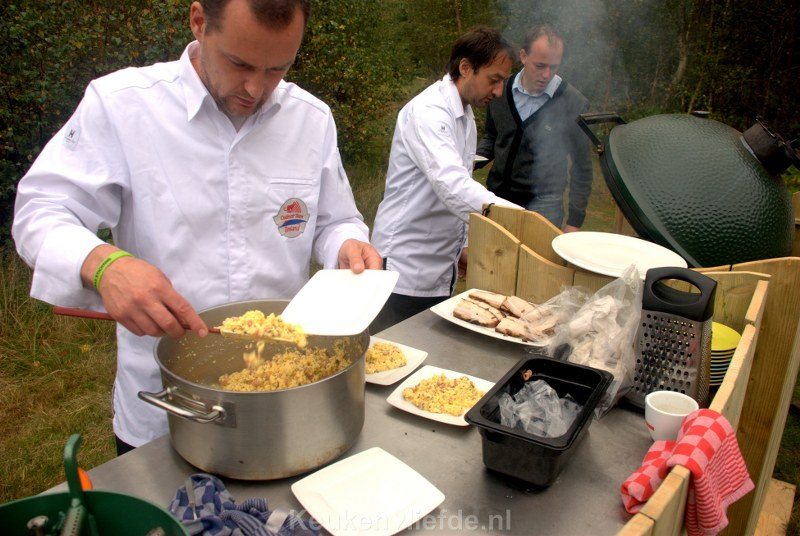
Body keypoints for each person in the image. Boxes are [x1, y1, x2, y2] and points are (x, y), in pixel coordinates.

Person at [12, 0, 381, 454]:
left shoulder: (311, 118)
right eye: (239, 63)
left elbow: (335, 218)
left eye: (277, 69)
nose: (256, 88)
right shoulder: (123, 105)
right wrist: (104, 266)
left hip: (283, 396)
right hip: (166, 406)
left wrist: (347, 243)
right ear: (199, 22)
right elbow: (41, 210)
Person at [369, 27, 523, 334]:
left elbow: (460, 187)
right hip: (404, 268)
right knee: (392, 352)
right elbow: (451, 185)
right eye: (494, 79)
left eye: (503, 81)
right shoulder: (428, 111)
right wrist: (521, 220)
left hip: (441, 267)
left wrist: (463, 244)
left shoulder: (465, 116)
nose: (498, 91)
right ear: (465, 67)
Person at [476, 25, 592, 232]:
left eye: (553, 67)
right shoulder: (499, 90)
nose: (546, 74)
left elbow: (582, 166)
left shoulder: (573, 102)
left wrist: (575, 221)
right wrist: (471, 161)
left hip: (545, 205)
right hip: (498, 197)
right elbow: (493, 137)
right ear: (523, 56)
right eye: (540, 65)